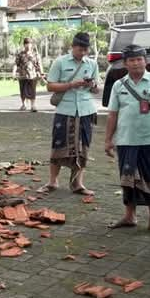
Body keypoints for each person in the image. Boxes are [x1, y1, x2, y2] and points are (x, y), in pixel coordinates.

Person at [103, 44, 150, 234]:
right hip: (126, 139)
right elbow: (112, 114)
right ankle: (130, 216)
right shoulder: (118, 85)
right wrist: (108, 140)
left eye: (139, 59)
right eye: (132, 60)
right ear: (125, 63)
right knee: (127, 179)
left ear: (146, 61)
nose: (136, 63)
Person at [39, 31, 99, 195]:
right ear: (72, 47)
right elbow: (50, 86)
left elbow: (96, 89)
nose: (83, 52)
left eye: (86, 49)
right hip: (65, 110)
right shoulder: (60, 62)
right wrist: (71, 84)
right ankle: (53, 181)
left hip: (86, 111)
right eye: (80, 49)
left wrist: (91, 84)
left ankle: (78, 184)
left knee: (83, 148)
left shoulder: (92, 64)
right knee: (58, 145)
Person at [14, 37, 43, 112]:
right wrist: (14, 72)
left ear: (32, 45)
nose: (28, 45)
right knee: (22, 89)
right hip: (22, 74)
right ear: (24, 45)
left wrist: (41, 73)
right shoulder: (20, 54)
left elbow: (39, 64)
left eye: (29, 43)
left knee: (32, 90)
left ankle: (33, 105)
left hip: (32, 75)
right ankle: (24, 104)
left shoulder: (35, 54)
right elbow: (16, 64)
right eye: (26, 43)